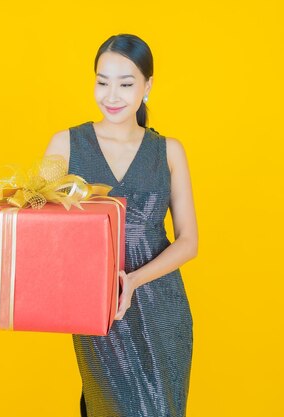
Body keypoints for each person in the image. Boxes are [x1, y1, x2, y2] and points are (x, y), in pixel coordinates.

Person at [43, 33, 198, 417]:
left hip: (162, 307)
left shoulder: (170, 151)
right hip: (101, 309)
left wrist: (133, 280)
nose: (111, 95)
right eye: (102, 81)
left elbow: (189, 242)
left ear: (147, 86)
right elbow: (38, 225)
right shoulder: (64, 145)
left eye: (126, 84)